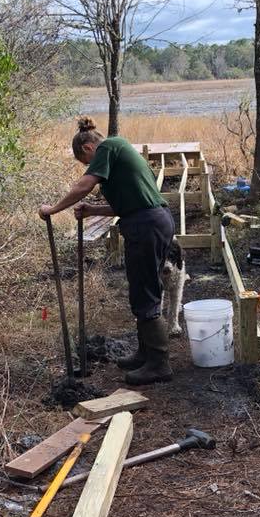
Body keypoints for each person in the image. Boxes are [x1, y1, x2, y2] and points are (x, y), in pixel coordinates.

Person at [38, 117, 175, 385]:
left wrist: (53, 209)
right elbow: (128, 204)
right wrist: (93, 210)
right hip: (151, 221)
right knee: (144, 288)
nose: (90, 167)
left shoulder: (108, 147)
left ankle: (159, 364)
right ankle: (145, 354)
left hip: (147, 226)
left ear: (88, 149)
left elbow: (84, 185)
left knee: (144, 292)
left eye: (86, 163)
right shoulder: (119, 151)